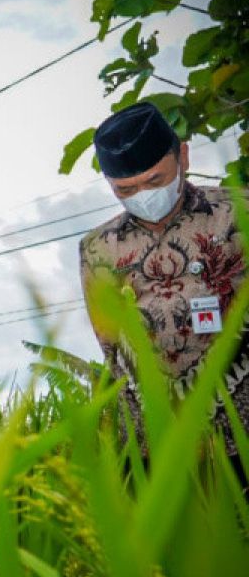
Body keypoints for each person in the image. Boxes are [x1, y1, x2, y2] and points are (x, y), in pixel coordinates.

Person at [80, 101, 248, 474]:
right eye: (126, 189)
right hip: (152, 440)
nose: (144, 194)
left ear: (183, 156)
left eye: (155, 180)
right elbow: (113, 347)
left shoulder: (238, 213)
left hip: (241, 425)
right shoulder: (97, 249)